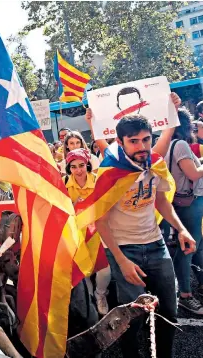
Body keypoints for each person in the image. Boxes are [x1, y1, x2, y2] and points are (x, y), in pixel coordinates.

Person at [95, 114, 196, 358]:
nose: (141, 147)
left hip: (155, 244)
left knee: (168, 311)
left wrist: (181, 228)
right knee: (131, 317)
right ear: (120, 142)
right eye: (134, 141)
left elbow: (161, 200)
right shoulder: (108, 172)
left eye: (146, 139)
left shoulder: (155, 164)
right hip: (124, 249)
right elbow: (100, 220)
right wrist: (121, 261)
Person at [164, 108, 203, 314]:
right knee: (188, 247)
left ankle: (196, 286)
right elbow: (193, 174)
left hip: (183, 201)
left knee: (196, 245)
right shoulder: (179, 145)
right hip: (189, 202)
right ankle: (185, 295)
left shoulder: (169, 145)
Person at [64, 149, 111, 315]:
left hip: (100, 231)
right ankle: (90, 299)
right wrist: (75, 205)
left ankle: (100, 294)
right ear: (69, 168)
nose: (78, 170)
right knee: (83, 268)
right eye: (74, 166)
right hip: (77, 234)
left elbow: (108, 203)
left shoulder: (98, 181)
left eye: (82, 165)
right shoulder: (64, 183)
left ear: (88, 164)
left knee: (105, 269)